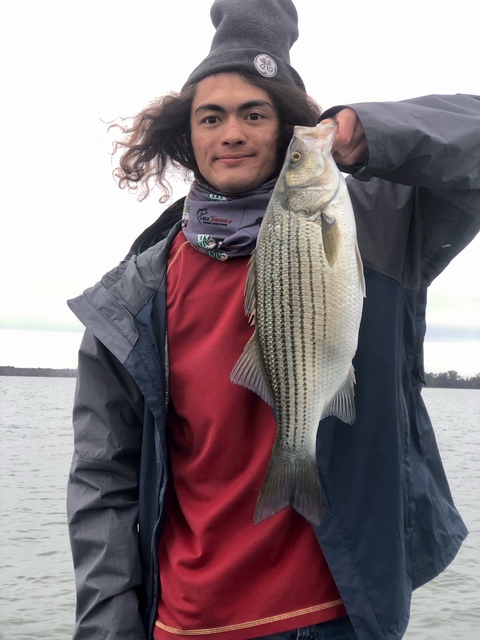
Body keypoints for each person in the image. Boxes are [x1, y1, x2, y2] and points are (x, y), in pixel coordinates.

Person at [66, 1, 480, 639]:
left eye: (254, 113)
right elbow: (102, 482)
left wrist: (374, 130)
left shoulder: (379, 226)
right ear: (190, 136)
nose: (231, 132)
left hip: (338, 615)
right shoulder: (129, 298)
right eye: (212, 117)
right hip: (184, 623)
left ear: (289, 129)